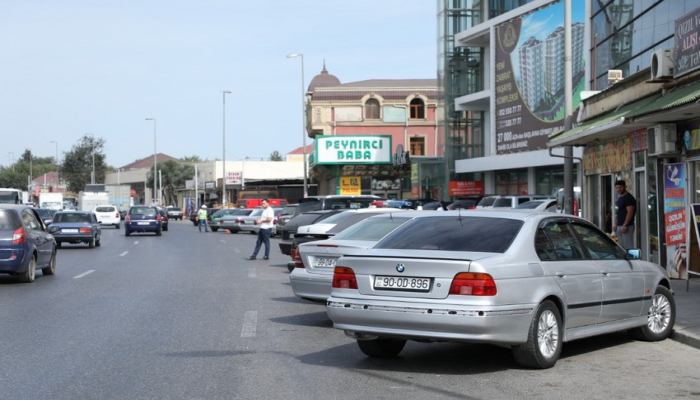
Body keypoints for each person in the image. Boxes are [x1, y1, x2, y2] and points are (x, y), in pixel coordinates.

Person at [612, 180, 636, 249]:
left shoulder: (629, 198)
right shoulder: (620, 198)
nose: (619, 189)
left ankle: (632, 259)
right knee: (621, 247)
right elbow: (618, 212)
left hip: (626, 226)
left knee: (628, 247)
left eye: (620, 187)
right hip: (619, 225)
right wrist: (615, 224)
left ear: (625, 187)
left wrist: (625, 225)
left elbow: (630, 212)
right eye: (617, 187)